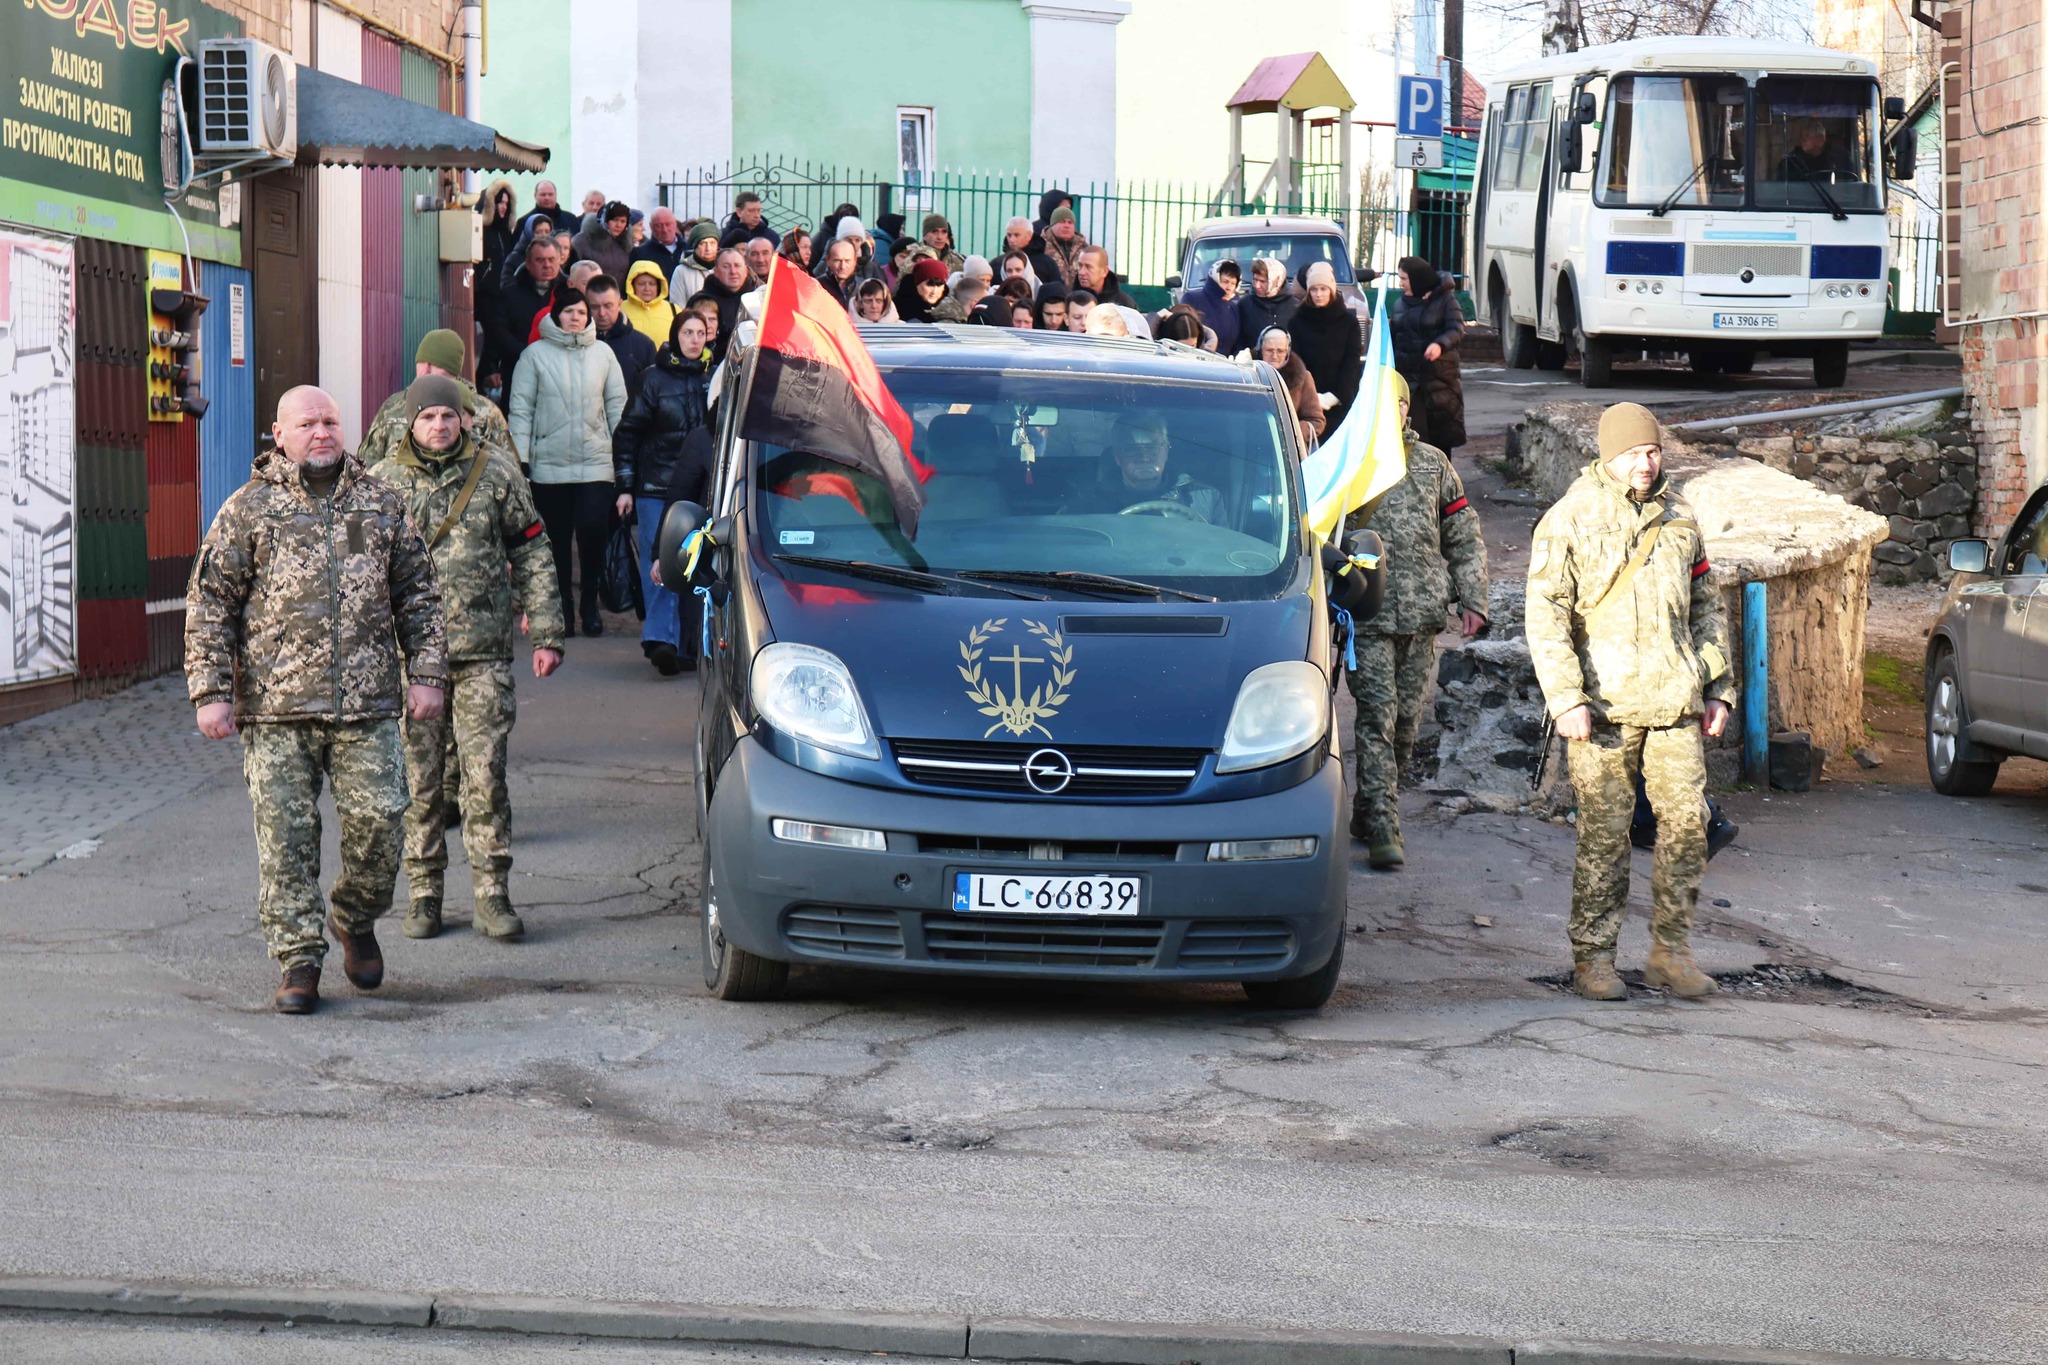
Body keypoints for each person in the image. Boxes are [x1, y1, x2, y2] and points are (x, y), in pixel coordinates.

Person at [185, 386, 447, 1014]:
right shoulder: (248, 511)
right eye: (307, 423)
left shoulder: (380, 504)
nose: (322, 432)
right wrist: (211, 692)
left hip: (368, 705)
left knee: (384, 823)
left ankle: (354, 917)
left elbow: (419, 595)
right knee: (286, 839)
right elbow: (210, 605)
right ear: (280, 434)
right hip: (277, 709)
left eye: (330, 421)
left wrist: (428, 673)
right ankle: (298, 961)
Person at [1526, 402, 1736, 1002]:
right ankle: (1594, 958)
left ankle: (1672, 952)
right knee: (1605, 835)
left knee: (1687, 827)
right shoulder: (1569, 519)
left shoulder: (1680, 519)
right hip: (1604, 709)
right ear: (1607, 455)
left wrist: (1716, 687)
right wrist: (1566, 699)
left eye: (1652, 451)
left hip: (1674, 703)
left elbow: (1706, 608)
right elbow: (1547, 617)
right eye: (1632, 453)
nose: (1644, 463)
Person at [364, 375, 564, 944]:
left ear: (463, 420)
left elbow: (532, 549)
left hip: (482, 653)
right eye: (428, 418)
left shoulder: (497, 473)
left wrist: (546, 631)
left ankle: (491, 895)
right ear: (411, 422)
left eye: (448, 417)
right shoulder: (383, 484)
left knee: (485, 778)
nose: (439, 426)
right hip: (411, 661)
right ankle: (424, 895)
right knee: (418, 784)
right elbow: (356, 575)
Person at [1345, 371, 1488, 870]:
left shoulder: (1434, 465)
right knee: (1377, 719)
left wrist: (1474, 597)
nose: (1391, 413)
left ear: (1408, 409)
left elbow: (1463, 536)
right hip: (1369, 615)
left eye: (1398, 405)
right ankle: (1385, 822)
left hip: (1423, 614)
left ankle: (1368, 808)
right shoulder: (1350, 467)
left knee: (1406, 725)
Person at [509, 288, 628, 638]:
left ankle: (589, 603)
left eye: (581, 312)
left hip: (596, 463)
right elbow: (520, 410)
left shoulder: (603, 354)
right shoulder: (533, 356)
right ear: (556, 315)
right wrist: (522, 459)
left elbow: (618, 407)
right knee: (557, 541)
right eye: (569, 312)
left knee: (593, 532)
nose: (576, 317)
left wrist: (621, 457)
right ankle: (564, 609)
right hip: (549, 465)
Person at [613, 310, 716, 677]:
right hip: (656, 486)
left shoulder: (714, 377)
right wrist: (625, 487)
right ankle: (661, 640)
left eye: (700, 332)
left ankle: (688, 645)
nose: (694, 339)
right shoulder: (652, 379)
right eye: (687, 332)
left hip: (702, 488)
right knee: (659, 563)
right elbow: (628, 433)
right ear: (675, 336)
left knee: (697, 565)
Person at [360, 329, 515, 468]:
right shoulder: (393, 406)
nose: (425, 370)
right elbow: (367, 462)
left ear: (453, 370)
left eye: (435, 364)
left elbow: (509, 466)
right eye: (422, 363)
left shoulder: (485, 412)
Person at [1065, 413, 1221, 522]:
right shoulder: (1088, 506)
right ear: (1117, 456)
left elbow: (1223, 554)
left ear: (1166, 450)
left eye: (1152, 447)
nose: (1144, 457)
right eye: (1132, 448)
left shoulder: (1204, 498)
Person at [1391, 256, 1467, 452]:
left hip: (1438, 380)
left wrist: (1439, 345)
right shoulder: (1400, 304)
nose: (1401, 284)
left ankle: (1442, 480)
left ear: (1417, 279)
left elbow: (1457, 329)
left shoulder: (1445, 300)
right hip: (1410, 382)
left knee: (1439, 439)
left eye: (1404, 279)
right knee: (1413, 440)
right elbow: (1393, 338)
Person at [1290, 262, 1364, 422]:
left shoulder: (1348, 323)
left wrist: (1336, 396)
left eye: (1323, 289)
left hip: (1339, 402)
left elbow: (1351, 362)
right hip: (1307, 404)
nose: (1318, 294)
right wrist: (1309, 395)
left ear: (1331, 290)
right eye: (1314, 289)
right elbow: (1296, 362)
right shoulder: (1297, 321)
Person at [493, 236, 563, 377]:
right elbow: (500, 333)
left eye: (551, 259)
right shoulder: (509, 295)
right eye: (540, 260)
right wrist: (528, 354)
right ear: (528, 264)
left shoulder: (569, 293)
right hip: (518, 369)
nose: (547, 265)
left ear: (560, 260)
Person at [586, 275, 656, 401]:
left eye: (608, 306)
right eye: (595, 307)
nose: (602, 313)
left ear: (619, 304)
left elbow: (652, 393)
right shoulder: (576, 343)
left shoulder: (644, 345)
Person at [1256, 327, 1324, 448]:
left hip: (1287, 451)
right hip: (1251, 446)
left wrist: (1293, 432)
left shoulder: (1303, 378)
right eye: (1269, 350)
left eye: (1280, 351)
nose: (1274, 356)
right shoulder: (1247, 376)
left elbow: (1317, 421)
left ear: (1287, 352)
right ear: (1260, 349)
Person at [1183, 261, 1242, 356]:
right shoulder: (1192, 298)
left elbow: (1237, 342)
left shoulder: (1234, 307)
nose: (1229, 287)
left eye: (1233, 283)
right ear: (1215, 279)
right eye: (1225, 281)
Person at [702, 248, 753, 357]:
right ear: (716, 272)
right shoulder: (702, 301)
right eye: (726, 266)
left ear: (746, 270)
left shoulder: (757, 298)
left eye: (737, 266)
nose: (733, 271)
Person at [1237, 256, 1298, 346]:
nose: (1257, 286)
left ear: (1277, 281)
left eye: (1262, 281)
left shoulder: (1295, 307)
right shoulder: (1244, 304)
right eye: (1255, 280)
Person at [570, 200, 634, 281]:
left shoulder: (625, 244)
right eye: (615, 220)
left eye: (623, 221)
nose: (619, 225)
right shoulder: (583, 240)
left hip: (616, 292)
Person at [620, 259, 678, 346]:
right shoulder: (619, 309)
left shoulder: (674, 310)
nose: (647, 289)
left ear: (658, 286)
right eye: (641, 284)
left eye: (652, 284)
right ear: (632, 285)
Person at [671, 220, 722, 302]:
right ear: (695, 246)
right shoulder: (682, 271)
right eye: (702, 243)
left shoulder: (726, 267)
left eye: (712, 243)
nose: (708, 248)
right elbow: (677, 305)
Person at [1074, 245, 1138, 309]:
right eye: (1080, 265)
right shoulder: (1071, 301)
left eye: (1088, 267)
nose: (1081, 272)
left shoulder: (1124, 305)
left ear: (1104, 271)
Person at [632, 206, 688, 278]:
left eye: (668, 224)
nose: (664, 229)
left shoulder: (689, 249)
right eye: (658, 226)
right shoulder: (640, 254)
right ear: (651, 226)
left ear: (675, 224)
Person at [1039, 205, 1086, 287]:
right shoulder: (1041, 246)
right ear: (1052, 225)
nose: (1066, 226)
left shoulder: (1084, 248)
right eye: (1062, 221)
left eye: (1070, 222)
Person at [894, 257, 951, 323]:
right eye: (929, 285)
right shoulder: (897, 309)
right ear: (917, 284)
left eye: (939, 285)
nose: (934, 291)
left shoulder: (952, 308)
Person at [817, 237, 862, 307]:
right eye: (837, 260)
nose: (842, 266)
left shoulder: (864, 287)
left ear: (855, 261)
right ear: (828, 260)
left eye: (847, 261)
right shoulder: (817, 286)